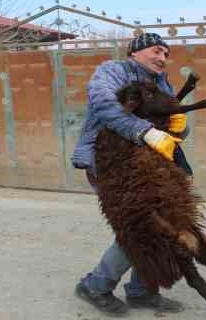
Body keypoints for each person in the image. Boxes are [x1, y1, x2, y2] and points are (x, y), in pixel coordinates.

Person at [71, 33, 188, 316]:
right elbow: (104, 104)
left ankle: (141, 290)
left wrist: (180, 126)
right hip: (109, 163)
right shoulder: (112, 71)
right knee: (139, 226)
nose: (162, 58)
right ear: (135, 52)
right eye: (156, 51)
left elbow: (168, 130)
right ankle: (95, 286)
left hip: (148, 166)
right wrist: (144, 131)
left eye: (166, 54)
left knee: (159, 224)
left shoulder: (163, 84)